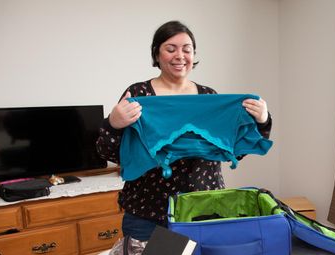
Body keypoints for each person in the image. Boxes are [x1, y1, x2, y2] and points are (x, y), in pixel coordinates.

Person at [96, 20, 272, 241]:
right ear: (157, 54)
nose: (180, 56)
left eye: (187, 49)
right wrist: (113, 123)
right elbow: (108, 153)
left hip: (203, 210)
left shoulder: (209, 97)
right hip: (148, 214)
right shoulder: (139, 95)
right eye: (171, 49)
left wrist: (262, 121)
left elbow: (233, 151)